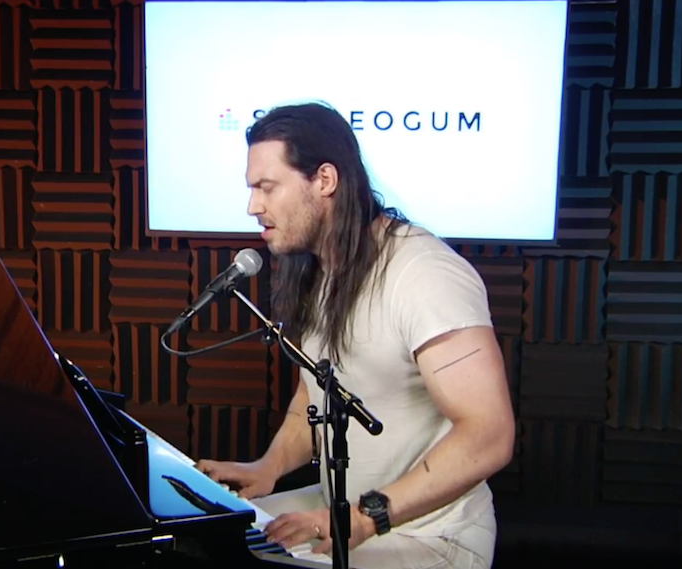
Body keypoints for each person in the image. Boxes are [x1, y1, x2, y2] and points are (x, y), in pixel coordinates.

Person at [194, 102, 515, 569]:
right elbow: (317, 392)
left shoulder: (424, 274)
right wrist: (268, 468)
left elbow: (489, 435)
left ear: (324, 180)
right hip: (345, 511)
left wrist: (364, 518)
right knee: (211, 538)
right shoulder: (321, 272)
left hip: (432, 537)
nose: (253, 206)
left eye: (267, 187)